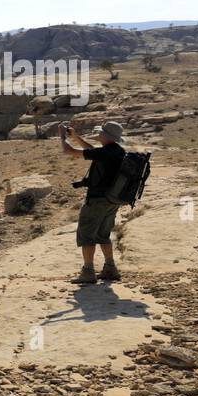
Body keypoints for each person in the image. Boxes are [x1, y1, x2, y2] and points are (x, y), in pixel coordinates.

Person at [61, 121, 126, 284]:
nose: (99, 134)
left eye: (101, 133)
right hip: (112, 200)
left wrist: (62, 136)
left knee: (87, 234)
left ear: (106, 136)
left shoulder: (105, 153)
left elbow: (68, 151)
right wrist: (76, 137)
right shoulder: (117, 151)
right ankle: (110, 268)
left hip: (97, 200)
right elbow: (91, 150)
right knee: (103, 234)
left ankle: (88, 272)